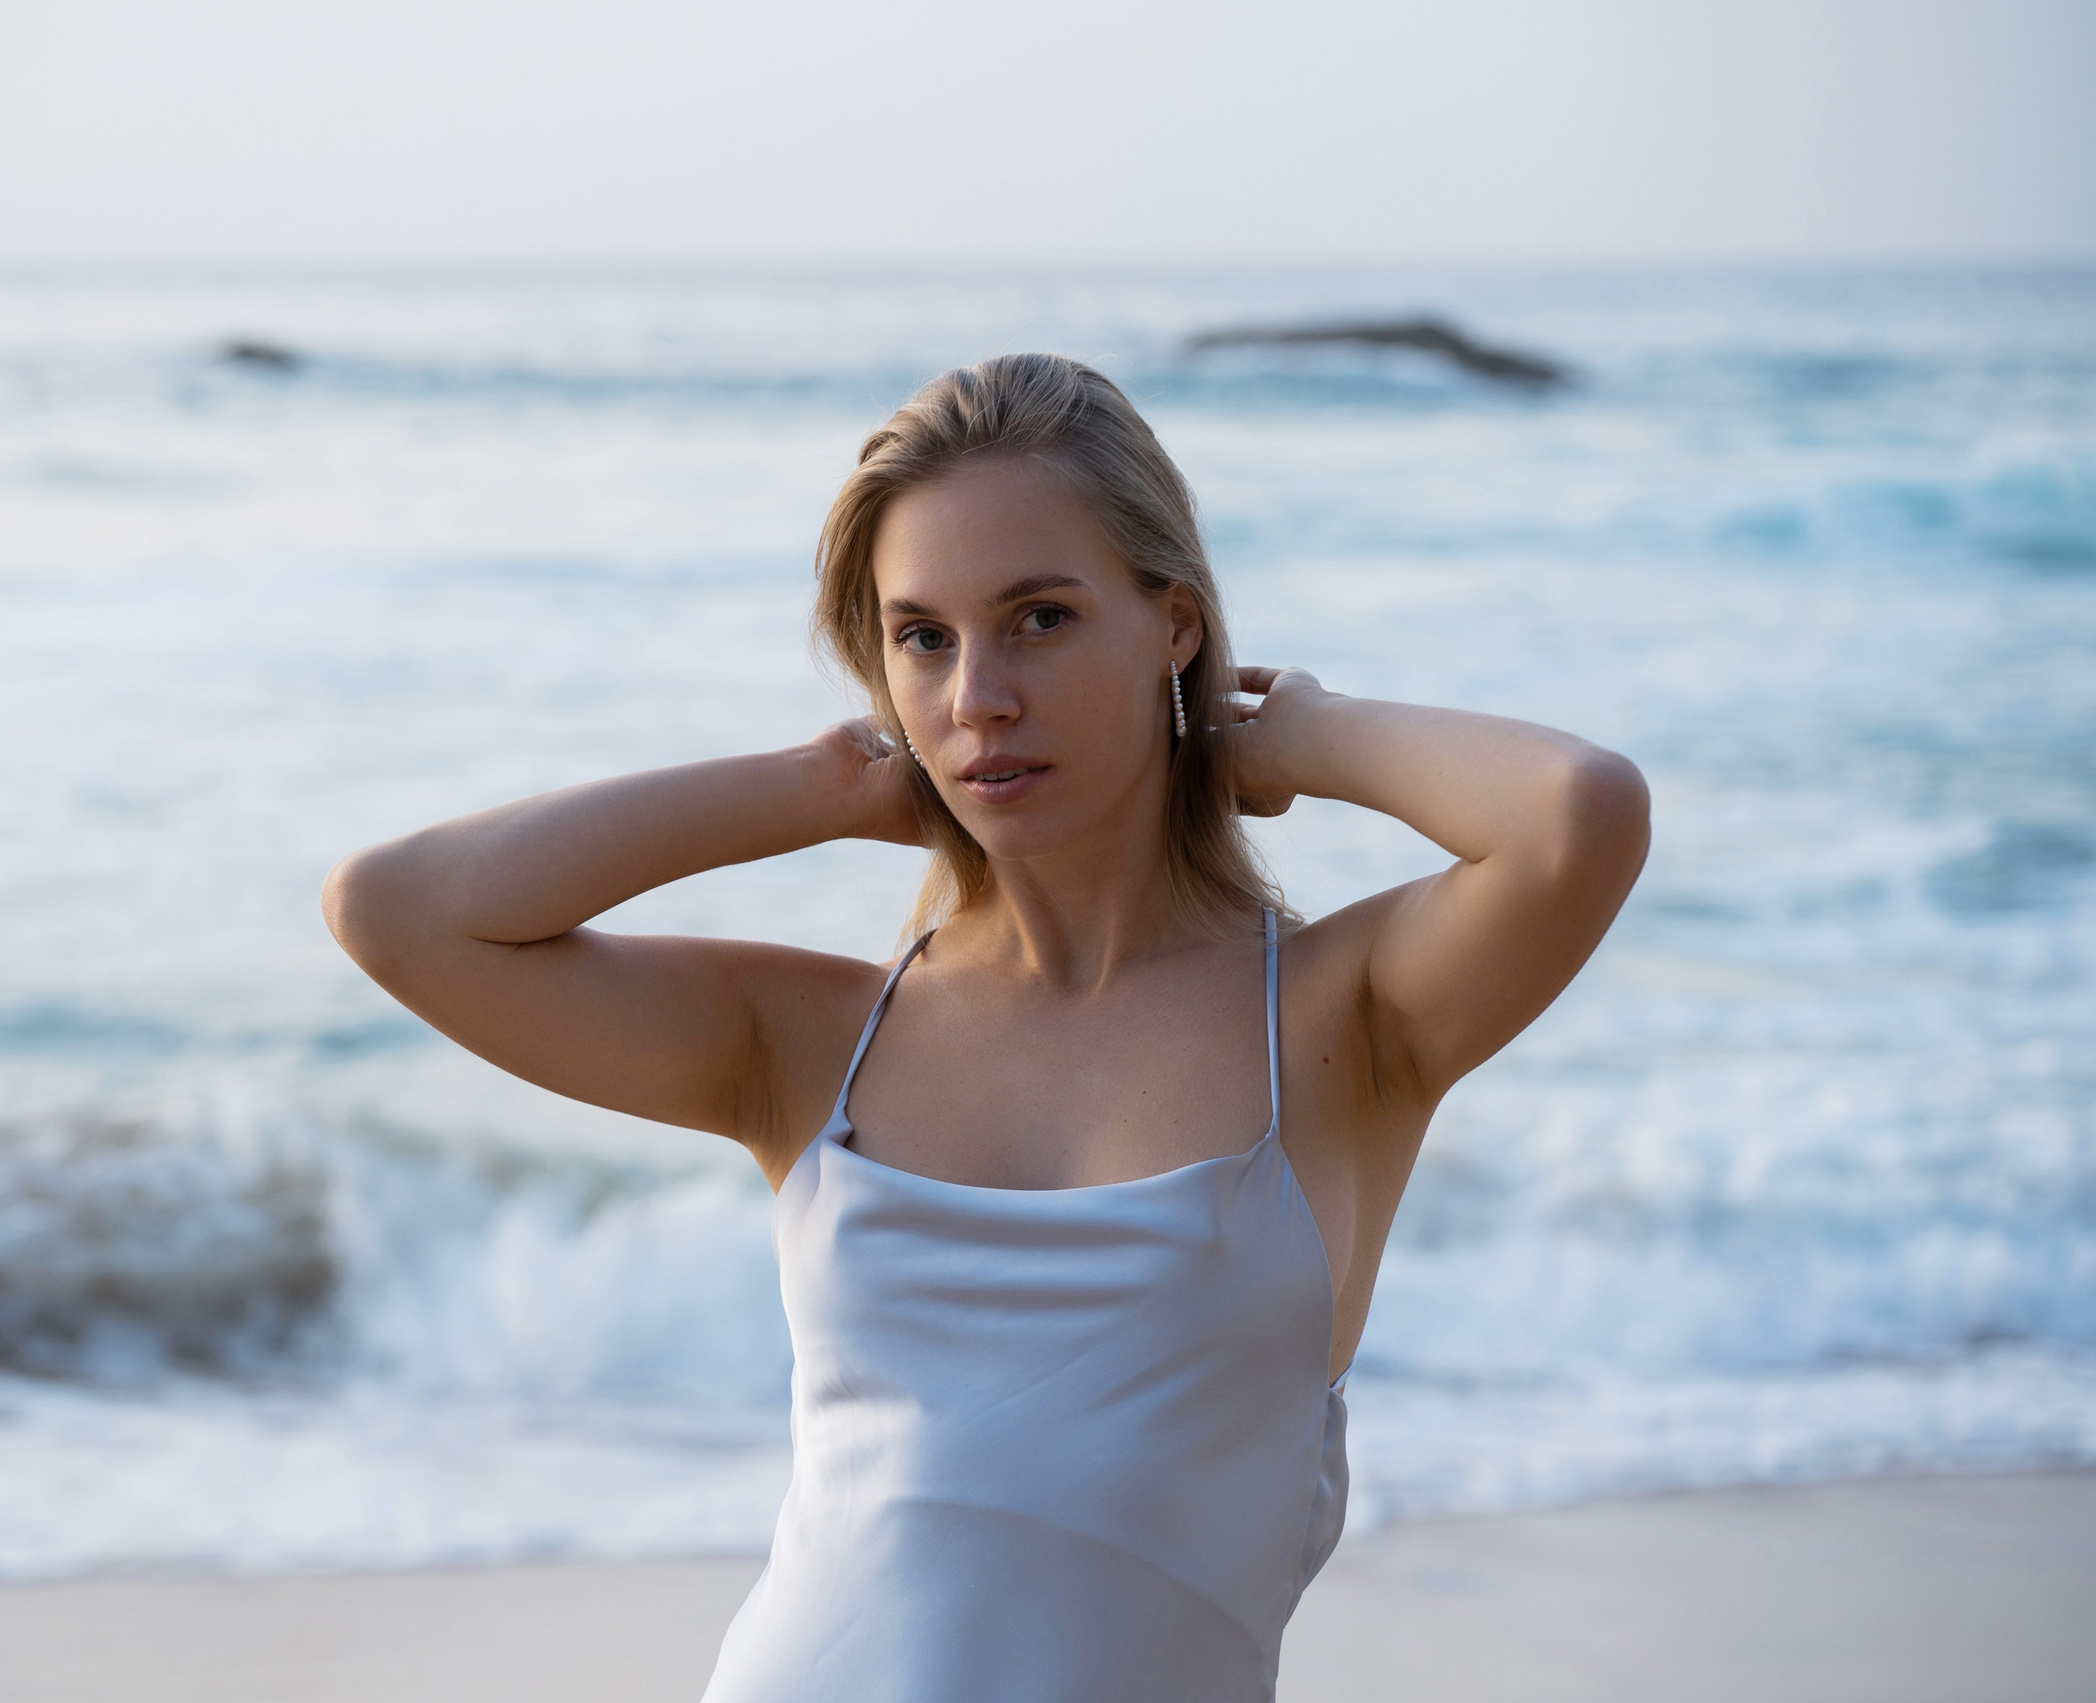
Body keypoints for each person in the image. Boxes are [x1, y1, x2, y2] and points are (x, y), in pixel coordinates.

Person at [323, 353, 1650, 1701]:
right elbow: (401, 910)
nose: (979, 700)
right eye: (923, 638)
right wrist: (823, 785)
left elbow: (1575, 811)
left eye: (1042, 619)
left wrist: (1299, 734)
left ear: (1174, 626)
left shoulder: (1340, 1017)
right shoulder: (812, 1042)